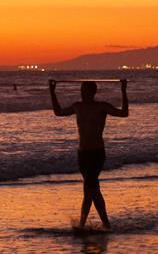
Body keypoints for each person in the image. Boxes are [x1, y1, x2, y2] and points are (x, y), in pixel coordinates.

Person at [49, 79, 129, 229]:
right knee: (89, 189)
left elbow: (124, 113)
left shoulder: (101, 107)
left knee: (91, 187)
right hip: (83, 154)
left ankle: (96, 224)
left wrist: (123, 90)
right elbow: (58, 112)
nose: (83, 93)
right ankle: (91, 224)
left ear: (92, 92)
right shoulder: (77, 106)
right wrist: (52, 91)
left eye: (85, 91)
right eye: (81, 90)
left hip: (97, 153)